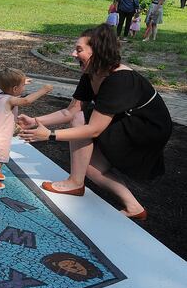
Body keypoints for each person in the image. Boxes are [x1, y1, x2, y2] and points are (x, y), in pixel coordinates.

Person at [19, 24, 172, 220]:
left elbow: (94, 129)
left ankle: (75, 182)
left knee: (83, 127)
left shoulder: (120, 79)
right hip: (127, 120)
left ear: (98, 51)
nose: (73, 53)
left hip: (147, 129)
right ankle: (134, 207)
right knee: (88, 165)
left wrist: (49, 135)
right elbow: (70, 110)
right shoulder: (92, 73)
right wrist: (34, 121)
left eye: (79, 49)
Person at [0, 68, 53, 189]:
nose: (23, 89)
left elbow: (13, 91)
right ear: (15, 89)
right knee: (0, 159)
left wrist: (21, 82)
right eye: (22, 86)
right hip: (0, 138)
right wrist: (43, 90)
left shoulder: (1, 96)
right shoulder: (11, 100)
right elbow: (26, 100)